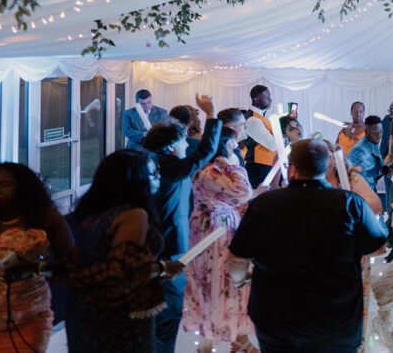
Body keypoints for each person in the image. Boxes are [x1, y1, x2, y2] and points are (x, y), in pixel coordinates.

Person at [228, 139, 388, 352]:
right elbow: (378, 247)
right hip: (335, 320)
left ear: (291, 169)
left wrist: (240, 279)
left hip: (276, 320)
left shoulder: (263, 204)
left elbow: (237, 258)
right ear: (328, 167)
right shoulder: (350, 202)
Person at [65, 150, 185, 352]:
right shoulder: (133, 215)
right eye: (151, 173)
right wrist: (162, 268)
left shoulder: (92, 214)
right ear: (133, 179)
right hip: (118, 313)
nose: (158, 177)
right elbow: (124, 270)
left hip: (83, 308)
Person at [142, 94, 222, 353]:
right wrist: (211, 114)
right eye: (182, 144)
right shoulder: (169, 166)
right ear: (170, 147)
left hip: (155, 248)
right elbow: (206, 151)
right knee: (168, 316)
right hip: (167, 251)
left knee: (157, 320)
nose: (186, 147)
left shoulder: (149, 161)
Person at [182, 109, 255, 353]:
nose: (237, 148)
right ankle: (209, 340)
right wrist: (234, 167)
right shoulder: (209, 172)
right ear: (224, 146)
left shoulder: (217, 169)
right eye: (233, 144)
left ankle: (234, 338)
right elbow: (242, 192)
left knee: (226, 282)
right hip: (213, 233)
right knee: (215, 282)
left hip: (223, 227)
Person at [0, 163, 74, 352]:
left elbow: (71, 270)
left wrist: (34, 268)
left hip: (28, 317)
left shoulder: (47, 218)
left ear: (22, 186)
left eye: (4, 185)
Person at [244, 85, 276, 190]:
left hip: (264, 164)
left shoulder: (260, 117)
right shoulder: (253, 119)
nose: (270, 99)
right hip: (258, 166)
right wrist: (284, 135)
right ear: (256, 99)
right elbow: (272, 145)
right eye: (267, 97)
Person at [348, 115, 386, 192]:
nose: (379, 136)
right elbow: (359, 180)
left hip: (371, 189)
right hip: (361, 193)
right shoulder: (359, 150)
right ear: (366, 132)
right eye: (375, 133)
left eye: (381, 131)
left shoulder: (373, 142)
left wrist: (383, 168)